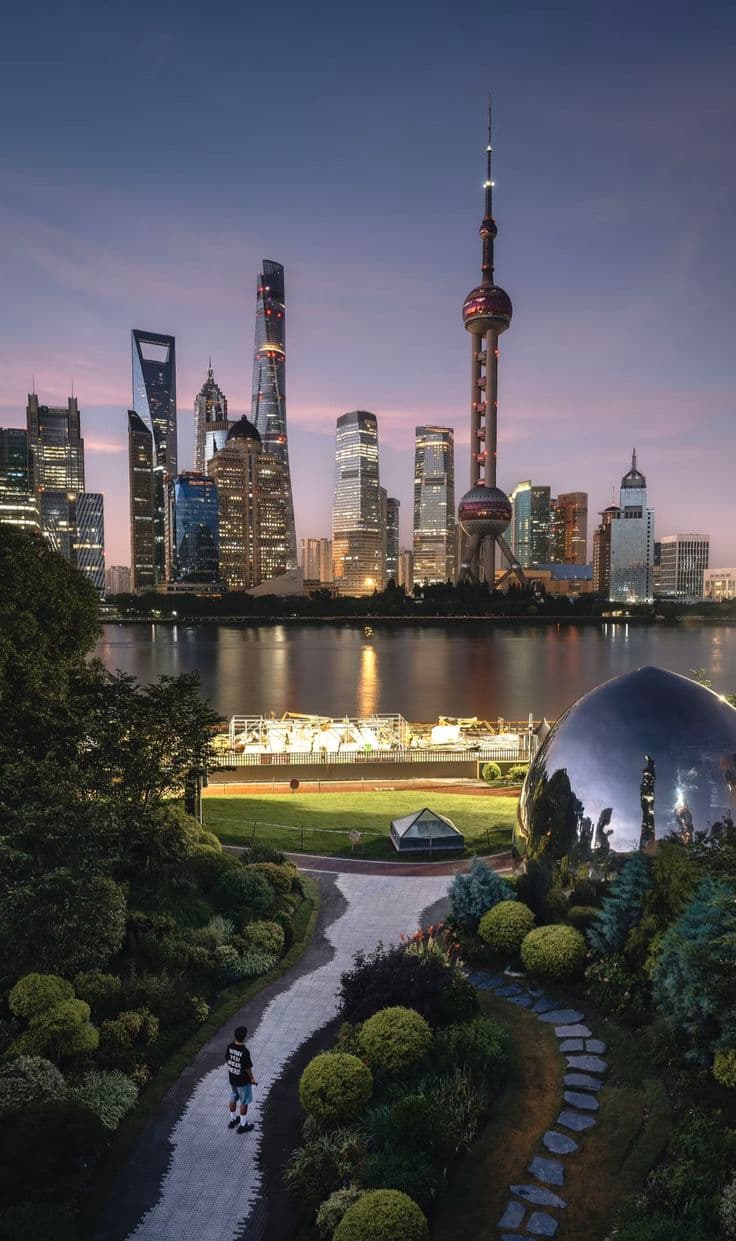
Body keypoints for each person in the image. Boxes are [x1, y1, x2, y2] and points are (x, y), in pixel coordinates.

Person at [225, 1025, 257, 1133]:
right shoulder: (244, 1051)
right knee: (244, 1101)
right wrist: (252, 1079)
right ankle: (243, 1125)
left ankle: (233, 1119)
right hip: (243, 1081)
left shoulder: (230, 1046)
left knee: (233, 1098)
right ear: (244, 1038)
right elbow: (248, 1068)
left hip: (233, 1078)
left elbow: (227, 1060)